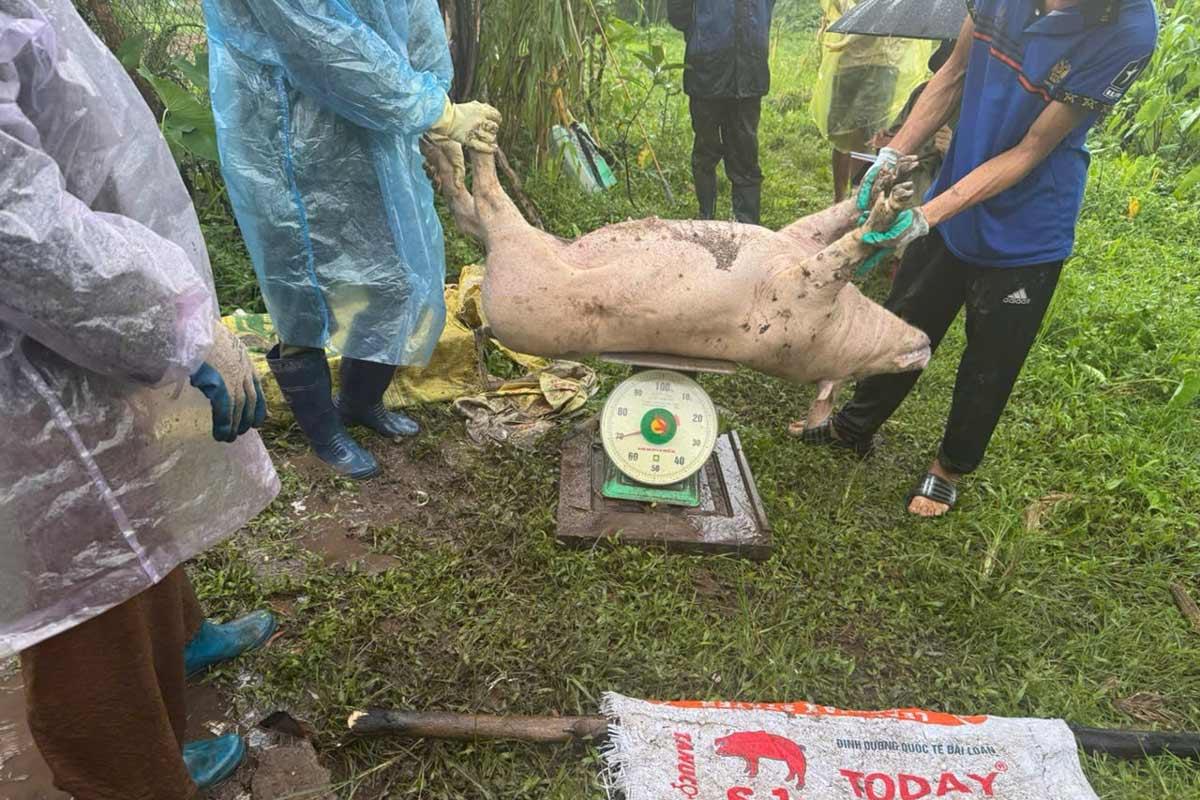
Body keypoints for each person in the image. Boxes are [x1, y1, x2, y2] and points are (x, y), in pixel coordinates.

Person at [0, 0, 283, 796]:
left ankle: (175, 650)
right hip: (31, 338)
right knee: (73, 574)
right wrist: (171, 317)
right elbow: (18, 230)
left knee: (122, 495)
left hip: (76, 312)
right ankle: (131, 772)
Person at [801, 0, 1158, 517]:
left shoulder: (1128, 30)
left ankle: (948, 466)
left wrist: (928, 214)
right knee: (905, 316)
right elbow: (953, 72)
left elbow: (1032, 149)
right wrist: (892, 154)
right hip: (959, 185)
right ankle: (854, 426)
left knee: (991, 357)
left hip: (1029, 224)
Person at [202, 0, 501, 481]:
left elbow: (414, 16)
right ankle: (325, 433)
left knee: (395, 268)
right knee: (302, 287)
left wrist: (431, 105)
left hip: (376, 127)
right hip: (286, 132)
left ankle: (360, 402)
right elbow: (318, 38)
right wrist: (433, 110)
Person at [668, 0, 775, 225]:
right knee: (707, 149)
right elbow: (678, 14)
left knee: (745, 153)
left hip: (748, 71)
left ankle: (748, 227)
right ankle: (707, 219)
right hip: (707, 70)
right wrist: (701, 31)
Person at [812, 0, 932, 202]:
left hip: (883, 62)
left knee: (870, 135)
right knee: (841, 133)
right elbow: (842, 10)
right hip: (847, 62)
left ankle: (862, 198)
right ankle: (839, 199)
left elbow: (905, 16)